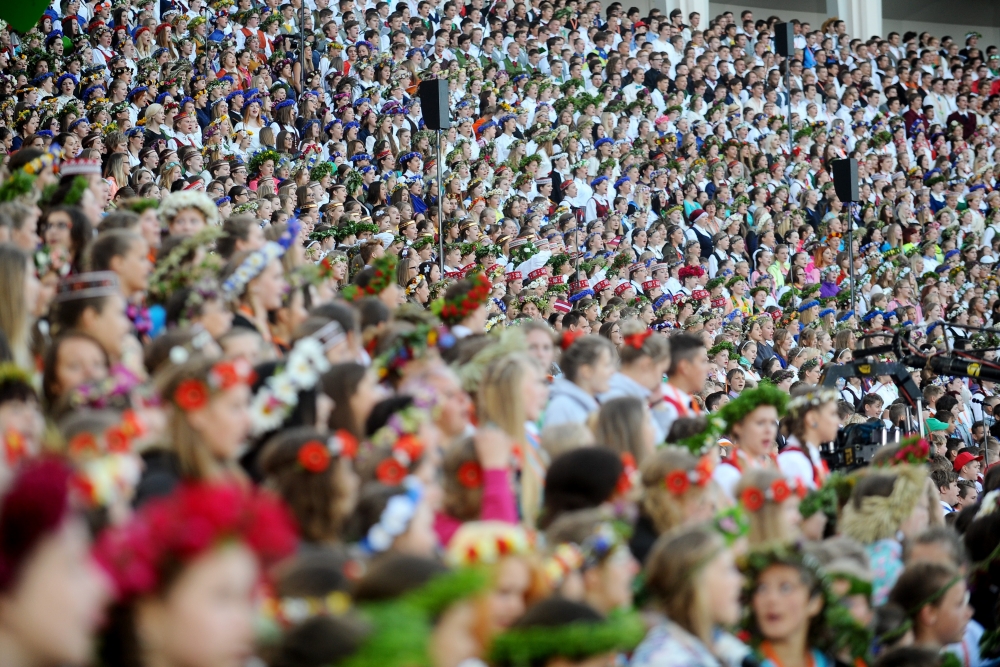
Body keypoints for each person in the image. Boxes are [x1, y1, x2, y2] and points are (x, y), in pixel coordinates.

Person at [632, 525, 748, 667]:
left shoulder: (724, 647)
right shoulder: (666, 659)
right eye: (727, 570)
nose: (740, 581)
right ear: (697, 583)